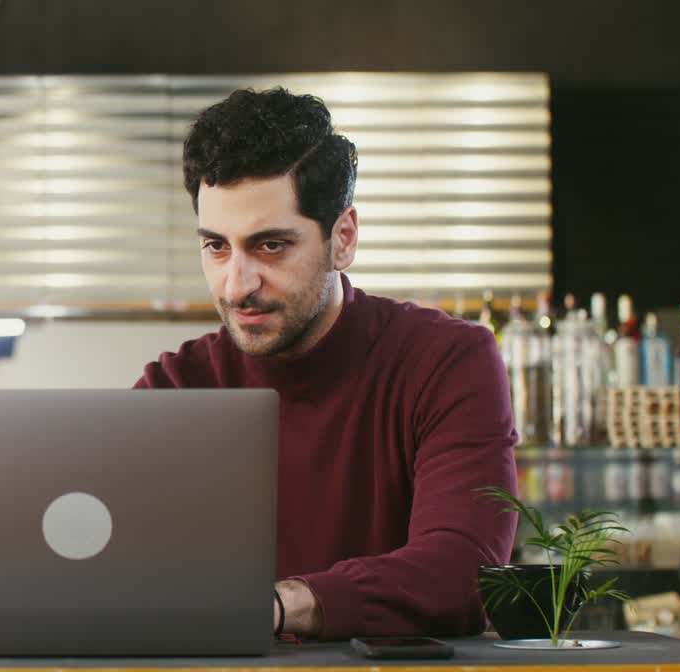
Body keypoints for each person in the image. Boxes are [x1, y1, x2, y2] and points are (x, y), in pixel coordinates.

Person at [134, 88, 517, 640]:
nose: (236, 285)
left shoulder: (446, 362)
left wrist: (278, 606)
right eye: (217, 247)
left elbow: (466, 571)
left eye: (270, 246)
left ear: (343, 238)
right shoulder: (176, 386)